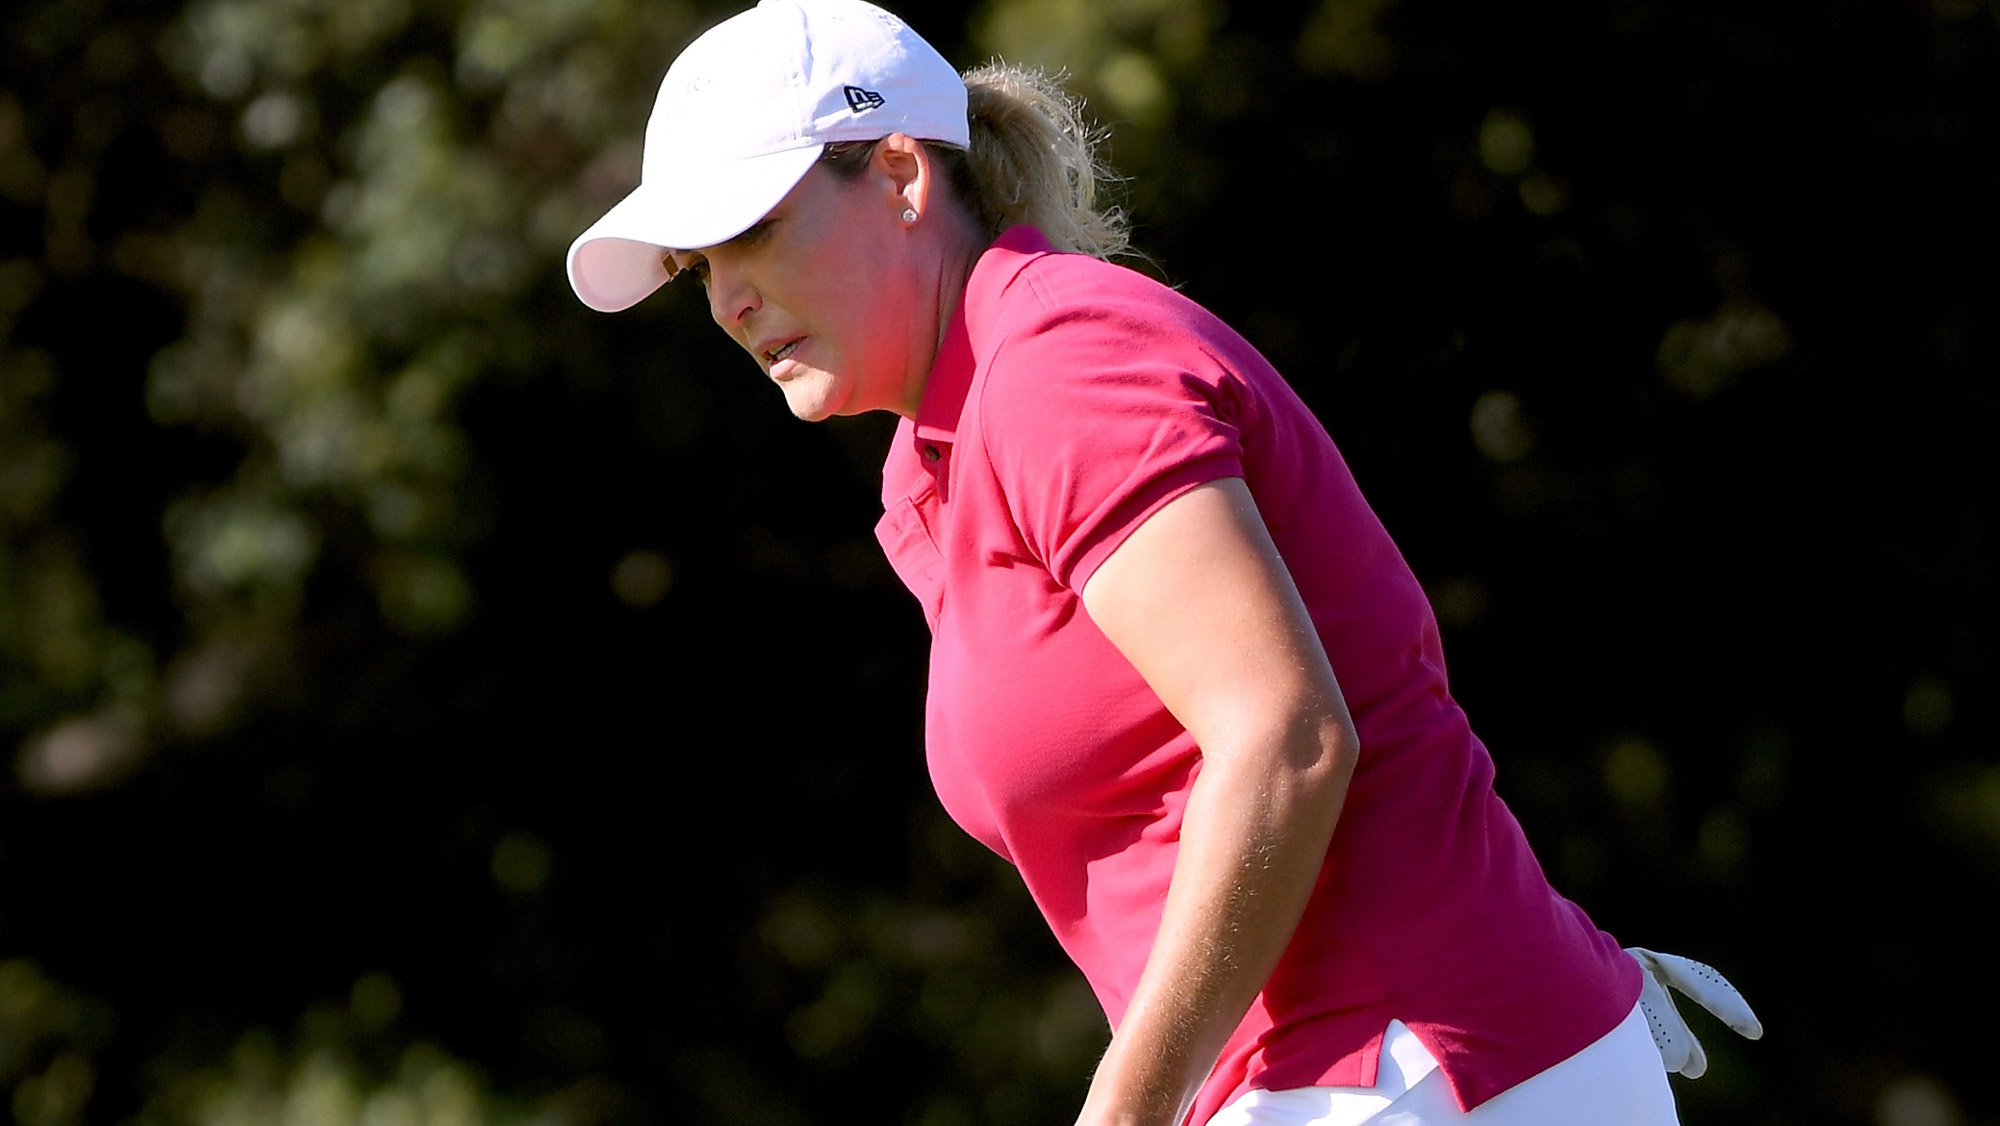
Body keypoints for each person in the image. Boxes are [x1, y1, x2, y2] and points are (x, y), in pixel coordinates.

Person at [564, 2, 1763, 1123]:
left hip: (1402, 1063)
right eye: (694, 267)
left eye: (750, 232)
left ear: (897, 175)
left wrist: (1125, 1111)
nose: (725, 300)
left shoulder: (1054, 364)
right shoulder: (940, 452)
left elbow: (1286, 736)